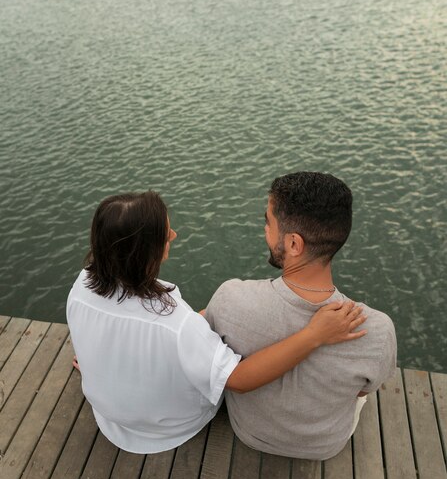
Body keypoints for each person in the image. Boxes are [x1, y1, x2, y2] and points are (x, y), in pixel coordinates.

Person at [67, 190, 366, 454]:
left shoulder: (81, 288)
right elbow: (238, 380)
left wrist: (98, 361)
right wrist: (314, 334)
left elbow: (137, 326)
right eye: (166, 233)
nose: (174, 236)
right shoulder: (177, 324)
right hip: (166, 429)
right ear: (145, 251)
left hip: (108, 415)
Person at [205, 172, 397, 460]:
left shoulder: (230, 299)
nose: (265, 231)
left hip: (249, 432)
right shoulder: (377, 330)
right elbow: (360, 393)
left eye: (268, 222)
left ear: (294, 244)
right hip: (324, 447)